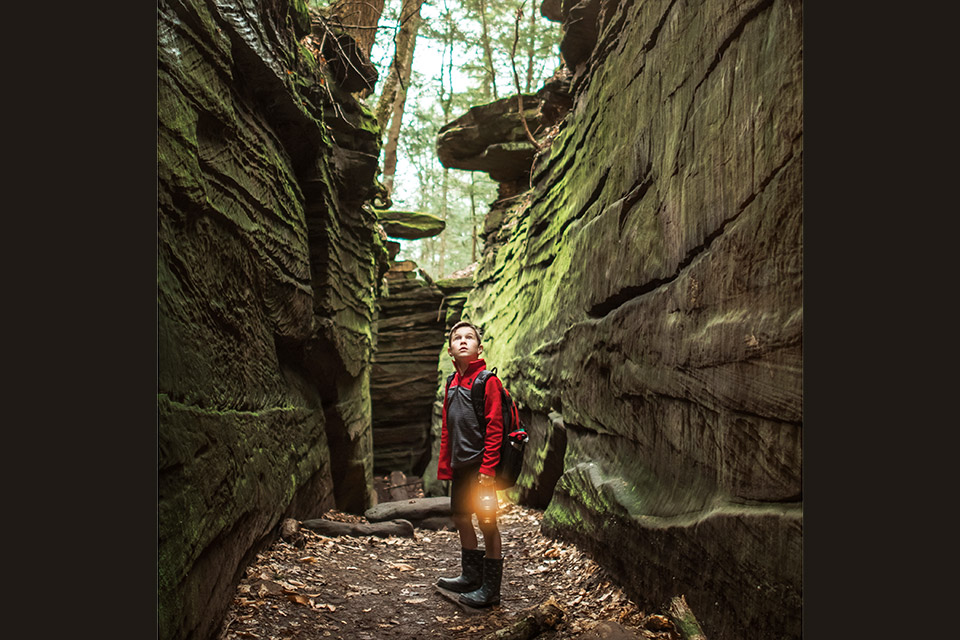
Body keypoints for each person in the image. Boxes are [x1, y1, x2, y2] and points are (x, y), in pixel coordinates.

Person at [435, 320, 505, 607]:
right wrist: (446, 467)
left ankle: (491, 589)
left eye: (469, 337)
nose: (463, 341)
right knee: (461, 516)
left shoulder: (488, 381)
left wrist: (488, 470)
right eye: (457, 338)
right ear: (450, 349)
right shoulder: (451, 383)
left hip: (481, 468)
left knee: (487, 522)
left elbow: (495, 426)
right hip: (461, 466)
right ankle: (471, 575)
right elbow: (447, 429)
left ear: (479, 347)